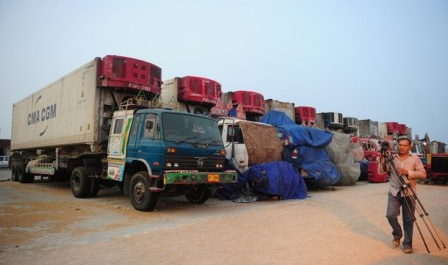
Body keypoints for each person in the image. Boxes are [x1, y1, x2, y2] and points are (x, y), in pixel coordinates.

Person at [380, 136, 426, 254]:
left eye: (405, 145)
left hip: (409, 192)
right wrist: (383, 159)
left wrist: (408, 172)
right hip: (394, 191)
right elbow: (382, 171)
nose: (402, 147)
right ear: (397, 145)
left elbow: (423, 174)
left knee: (408, 219)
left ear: (409, 146)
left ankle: (407, 244)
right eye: (400, 145)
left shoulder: (415, 159)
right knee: (390, 215)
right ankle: (397, 234)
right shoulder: (392, 158)